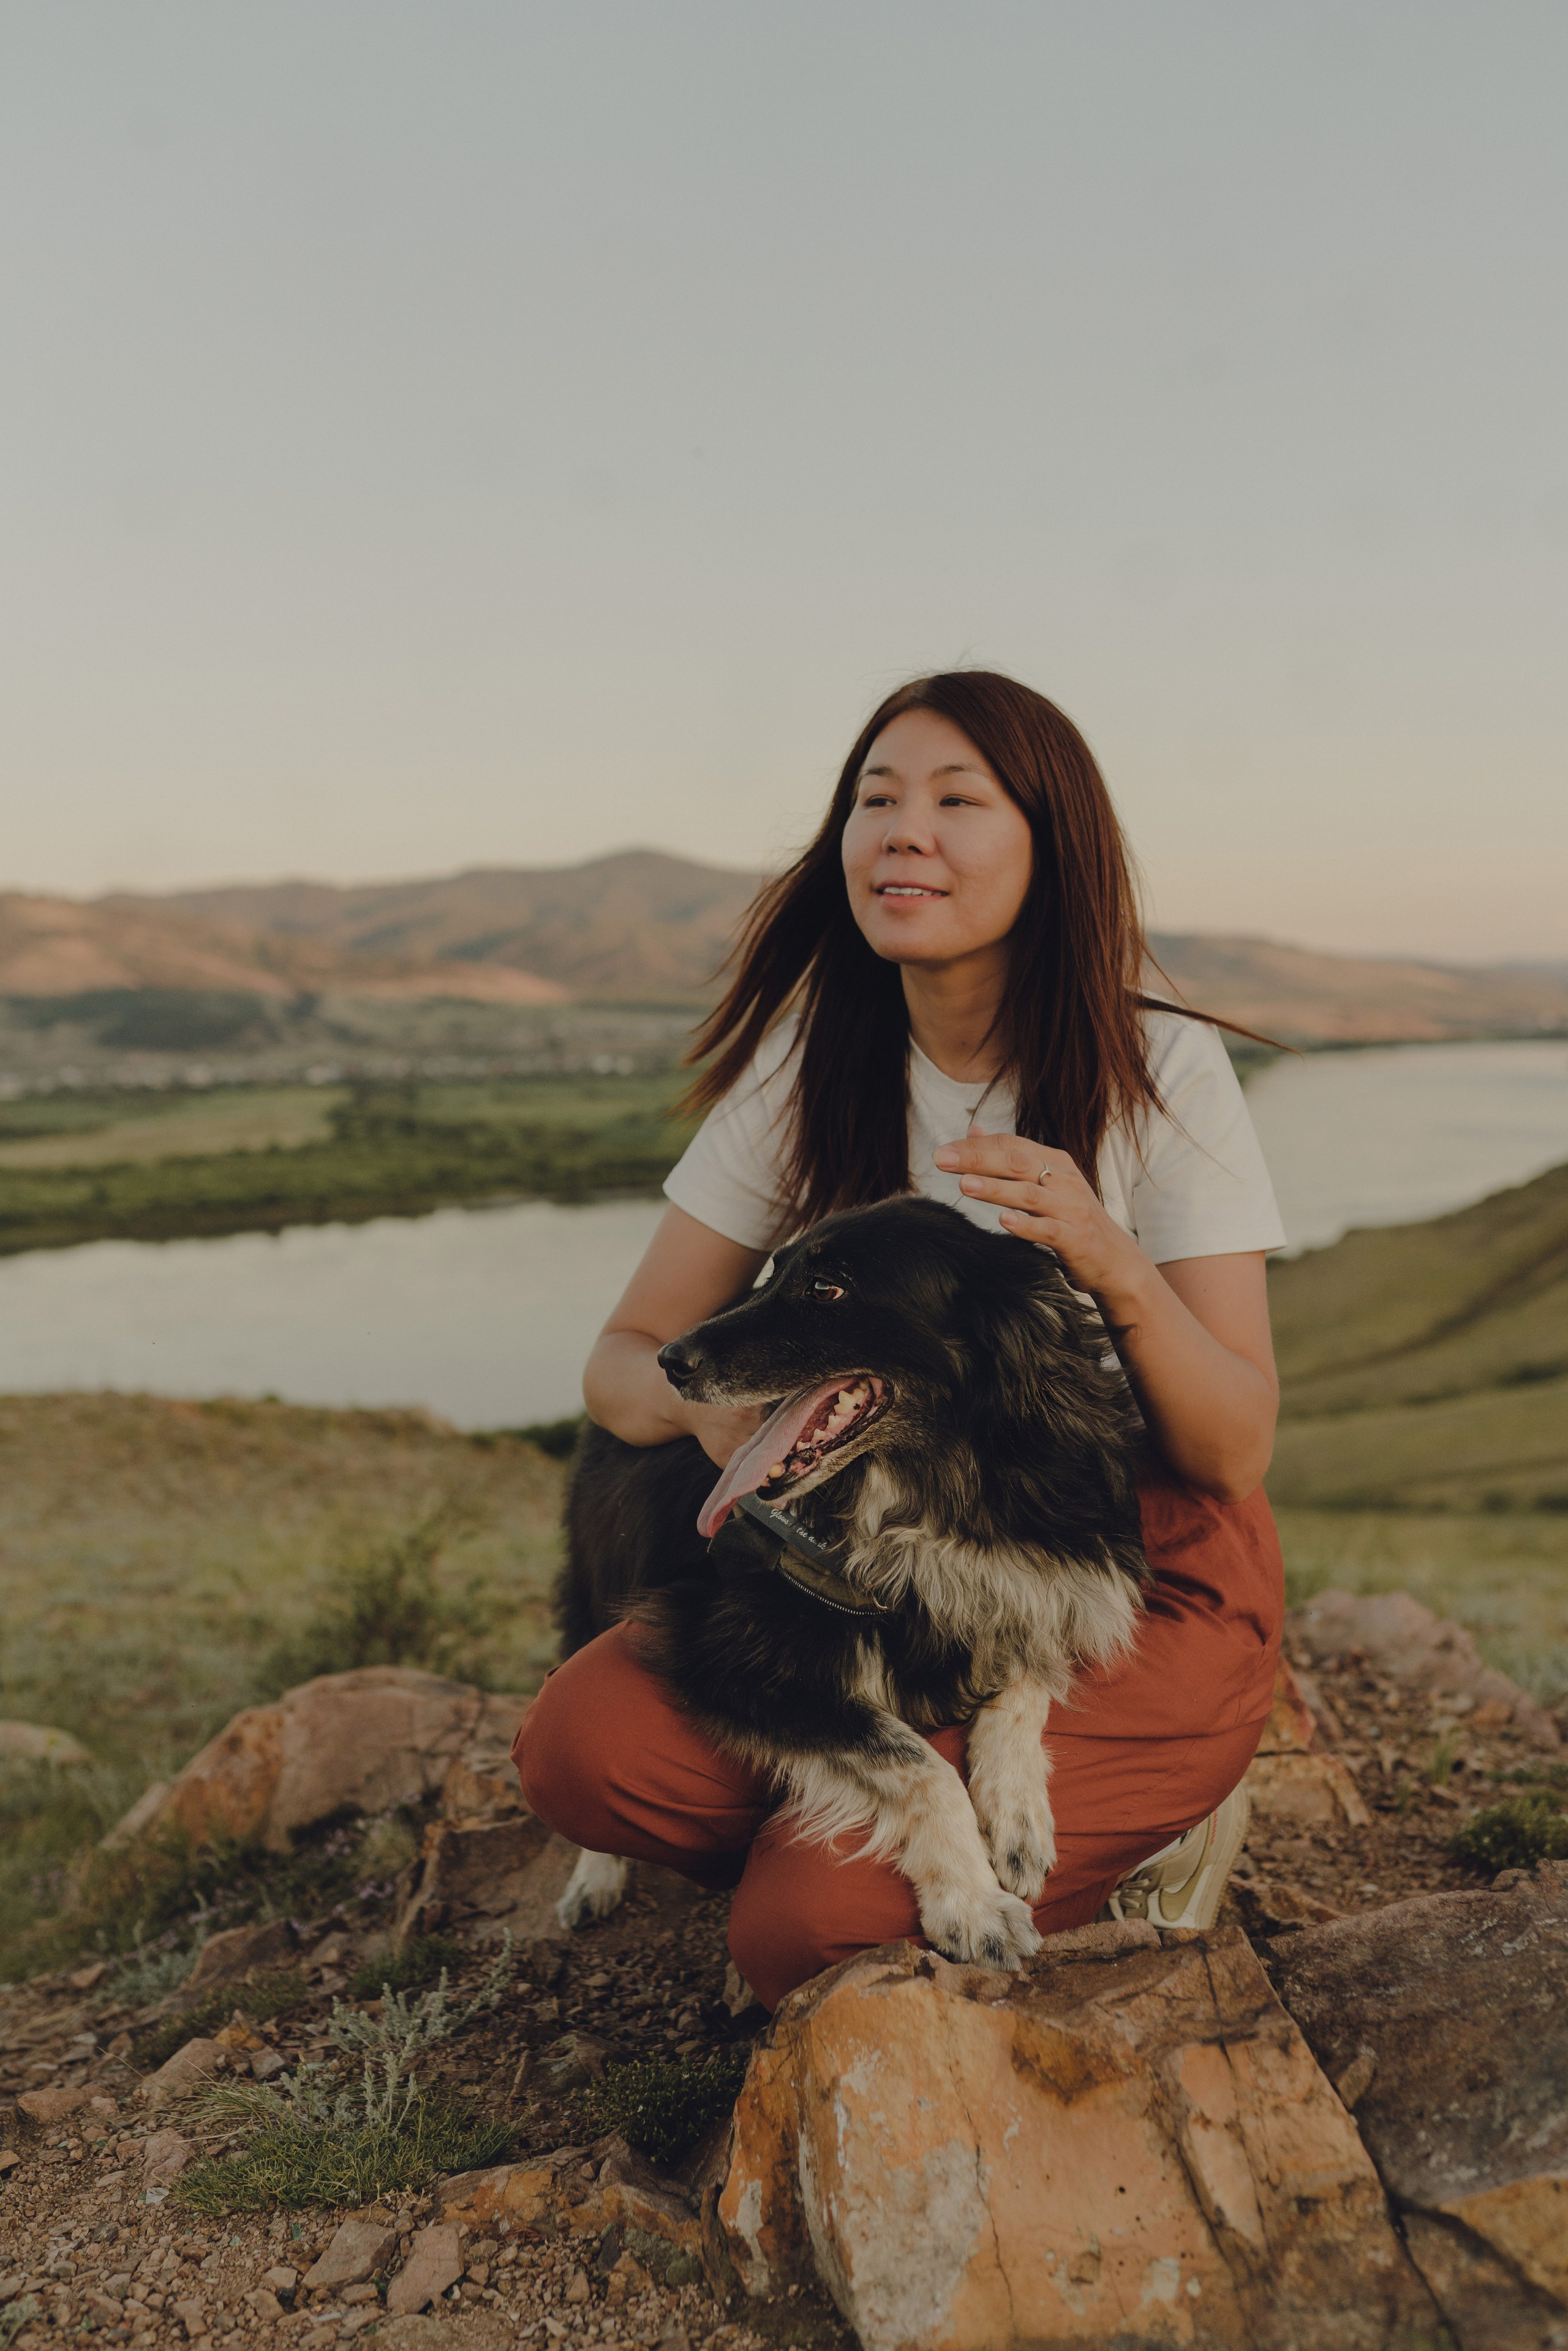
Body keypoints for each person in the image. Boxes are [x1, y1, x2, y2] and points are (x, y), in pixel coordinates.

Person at [514, 670, 1287, 2010]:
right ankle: (874, 1799)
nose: (900, 831)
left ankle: (1127, 1826)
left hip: (1118, 1553)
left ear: (1053, 848)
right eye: (873, 800)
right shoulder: (806, 1065)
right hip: (869, 1550)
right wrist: (709, 1420)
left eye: (953, 799)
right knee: (579, 1750)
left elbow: (1230, 1444)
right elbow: (621, 1353)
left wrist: (1105, 1256)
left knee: (804, 1925)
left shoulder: (1158, 1073)